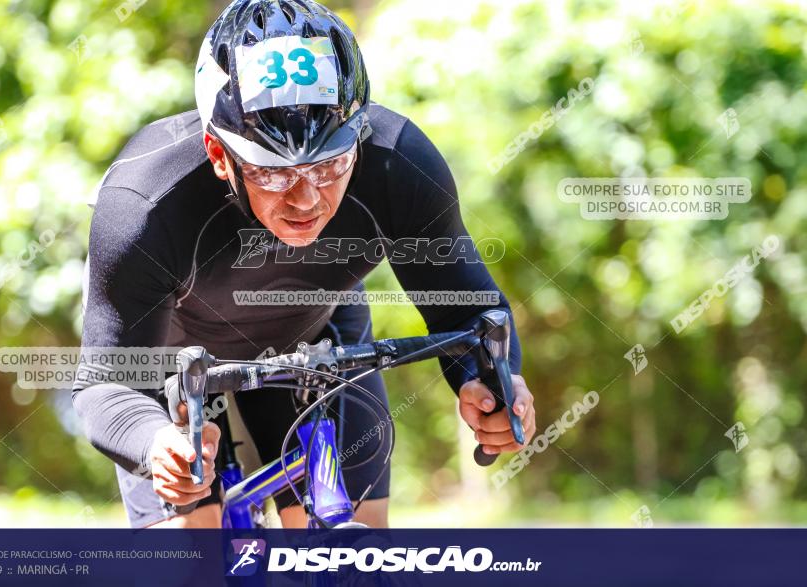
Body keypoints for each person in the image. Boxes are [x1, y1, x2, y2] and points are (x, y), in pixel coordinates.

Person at [71, 0, 536, 529]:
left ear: (359, 135)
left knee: (357, 544)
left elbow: (468, 311)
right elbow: (105, 384)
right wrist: (155, 442)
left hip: (314, 333)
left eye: (332, 164)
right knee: (190, 547)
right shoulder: (145, 203)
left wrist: (493, 383)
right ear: (220, 155)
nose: (306, 199)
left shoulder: (399, 164)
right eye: (272, 172)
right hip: (168, 360)